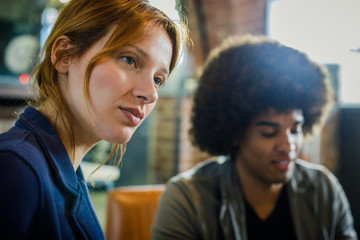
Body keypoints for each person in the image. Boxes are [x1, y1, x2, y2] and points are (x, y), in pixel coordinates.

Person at [0, 0, 188, 239]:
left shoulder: (66, 169)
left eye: (158, 80)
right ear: (64, 55)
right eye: (130, 60)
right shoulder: (15, 168)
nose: (150, 94)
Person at [153, 35, 358, 240]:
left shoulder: (322, 190)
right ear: (235, 133)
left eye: (295, 130)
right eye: (269, 133)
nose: (288, 147)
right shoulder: (189, 200)